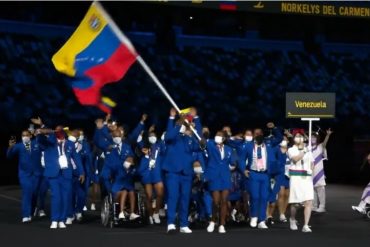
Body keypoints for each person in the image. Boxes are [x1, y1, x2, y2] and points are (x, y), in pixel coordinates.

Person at [230, 123, 282, 229]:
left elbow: (279, 138)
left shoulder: (268, 143)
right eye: (256, 133)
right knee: (255, 196)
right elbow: (241, 159)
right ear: (254, 135)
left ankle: (262, 220)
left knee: (264, 197)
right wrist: (243, 169)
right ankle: (254, 216)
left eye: (259, 133)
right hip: (253, 174)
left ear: (262, 134)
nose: (258, 135)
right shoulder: (248, 146)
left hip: (265, 174)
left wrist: (274, 128)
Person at [162, 108, 202, 234]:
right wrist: (177, 121)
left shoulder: (190, 139)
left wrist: (196, 118)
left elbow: (200, 142)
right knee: (173, 197)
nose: (187, 126)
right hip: (173, 172)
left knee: (185, 198)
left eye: (187, 124)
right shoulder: (172, 137)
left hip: (186, 173)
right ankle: (171, 224)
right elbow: (168, 136)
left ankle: (184, 224)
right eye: (185, 124)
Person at [37, 126, 85, 229]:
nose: (61, 135)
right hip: (54, 174)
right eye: (58, 132)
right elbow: (40, 140)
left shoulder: (70, 144)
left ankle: (62, 219)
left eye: (62, 132)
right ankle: (55, 219)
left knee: (66, 197)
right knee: (56, 196)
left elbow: (77, 158)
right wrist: (41, 131)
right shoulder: (50, 142)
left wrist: (81, 172)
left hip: (66, 174)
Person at [203, 131, 237, 233]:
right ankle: (213, 221)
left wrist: (233, 164)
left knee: (224, 201)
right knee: (216, 201)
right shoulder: (211, 146)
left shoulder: (229, 149)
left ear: (224, 138)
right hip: (214, 176)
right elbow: (203, 142)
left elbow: (233, 162)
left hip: (225, 177)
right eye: (216, 135)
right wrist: (204, 136)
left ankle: (222, 224)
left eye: (220, 135)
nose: (217, 137)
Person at [7, 130, 43, 223]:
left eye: (27, 135)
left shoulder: (36, 143)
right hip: (24, 174)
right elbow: (9, 156)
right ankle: (25, 215)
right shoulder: (18, 146)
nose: (25, 137)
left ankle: (31, 211)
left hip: (36, 173)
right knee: (27, 193)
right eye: (23, 135)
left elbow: (46, 148)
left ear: (30, 136)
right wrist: (10, 147)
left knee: (34, 194)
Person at [287, 129, 314, 233]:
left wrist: (311, 172)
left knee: (308, 201)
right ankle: (292, 219)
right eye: (297, 136)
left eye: (300, 136)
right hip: (296, 177)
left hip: (306, 178)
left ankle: (306, 225)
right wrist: (304, 151)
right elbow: (295, 159)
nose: (299, 138)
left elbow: (312, 162)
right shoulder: (291, 149)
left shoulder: (308, 150)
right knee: (295, 203)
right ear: (294, 138)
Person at [137, 131, 165, 224]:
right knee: (149, 196)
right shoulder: (145, 146)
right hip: (148, 175)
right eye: (150, 136)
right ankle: (150, 214)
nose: (152, 137)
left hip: (157, 173)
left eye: (153, 135)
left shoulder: (159, 145)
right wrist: (141, 134)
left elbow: (165, 142)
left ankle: (156, 213)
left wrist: (164, 136)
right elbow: (139, 141)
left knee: (160, 194)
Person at [266, 136, 290, 224]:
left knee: (287, 195)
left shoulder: (290, 149)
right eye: (282, 139)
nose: (284, 140)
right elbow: (273, 161)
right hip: (279, 174)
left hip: (289, 174)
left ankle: (283, 213)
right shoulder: (276, 149)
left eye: (285, 139)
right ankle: (276, 214)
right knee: (281, 193)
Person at [311, 128, 333, 213]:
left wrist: (328, 135)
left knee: (320, 189)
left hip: (319, 171)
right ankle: (314, 205)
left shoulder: (320, 146)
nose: (313, 139)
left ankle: (322, 206)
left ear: (317, 139)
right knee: (312, 189)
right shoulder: (308, 147)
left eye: (314, 138)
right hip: (310, 171)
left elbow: (325, 143)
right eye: (311, 137)